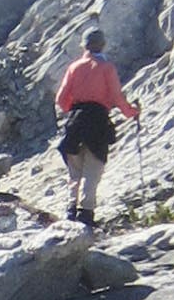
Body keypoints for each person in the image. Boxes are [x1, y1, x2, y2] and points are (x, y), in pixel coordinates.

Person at [52, 24, 140, 228]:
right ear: (102, 45)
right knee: (93, 169)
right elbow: (117, 97)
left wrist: (74, 109)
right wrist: (132, 112)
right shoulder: (107, 68)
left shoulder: (74, 67)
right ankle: (86, 213)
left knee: (75, 170)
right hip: (97, 122)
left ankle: (71, 209)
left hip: (75, 121)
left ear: (84, 46)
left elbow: (61, 99)